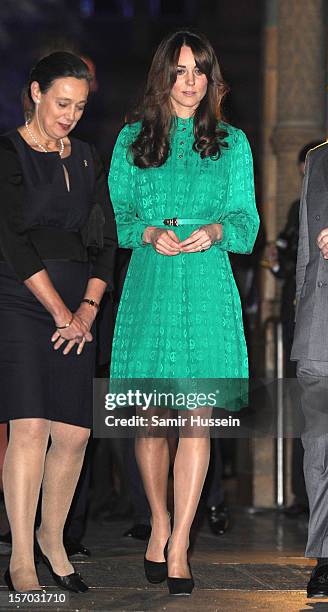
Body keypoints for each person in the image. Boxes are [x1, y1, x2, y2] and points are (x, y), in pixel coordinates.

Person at [108, 30, 259, 595]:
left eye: (199, 70)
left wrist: (216, 229)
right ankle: (159, 520)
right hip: (151, 283)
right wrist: (147, 231)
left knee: (196, 419)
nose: (190, 80)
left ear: (212, 78)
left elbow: (247, 223)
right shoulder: (132, 140)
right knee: (152, 419)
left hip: (207, 283)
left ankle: (180, 543)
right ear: (163, 77)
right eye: (180, 70)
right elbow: (117, 217)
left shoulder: (233, 143)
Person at [0, 51, 116, 592]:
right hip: (25, 304)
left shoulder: (90, 157)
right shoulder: (7, 151)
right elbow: (14, 244)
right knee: (30, 427)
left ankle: (53, 539)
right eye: (62, 102)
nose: (70, 114)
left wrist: (87, 309)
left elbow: (105, 243)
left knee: (73, 433)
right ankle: (21, 554)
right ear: (36, 92)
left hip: (80, 312)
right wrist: (61, 311)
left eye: (79, 106)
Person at [291, 51, 328, 598]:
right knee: (324, 446)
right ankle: (327, 556)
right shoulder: (322, 160)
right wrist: (301, 322)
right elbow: (309, 248)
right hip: (325, 325)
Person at [265, 141, 322, 518]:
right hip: (301, 312)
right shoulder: (296, 207)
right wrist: (275, 258)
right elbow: (288, 263)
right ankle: (304, 497)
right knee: (305, 404)